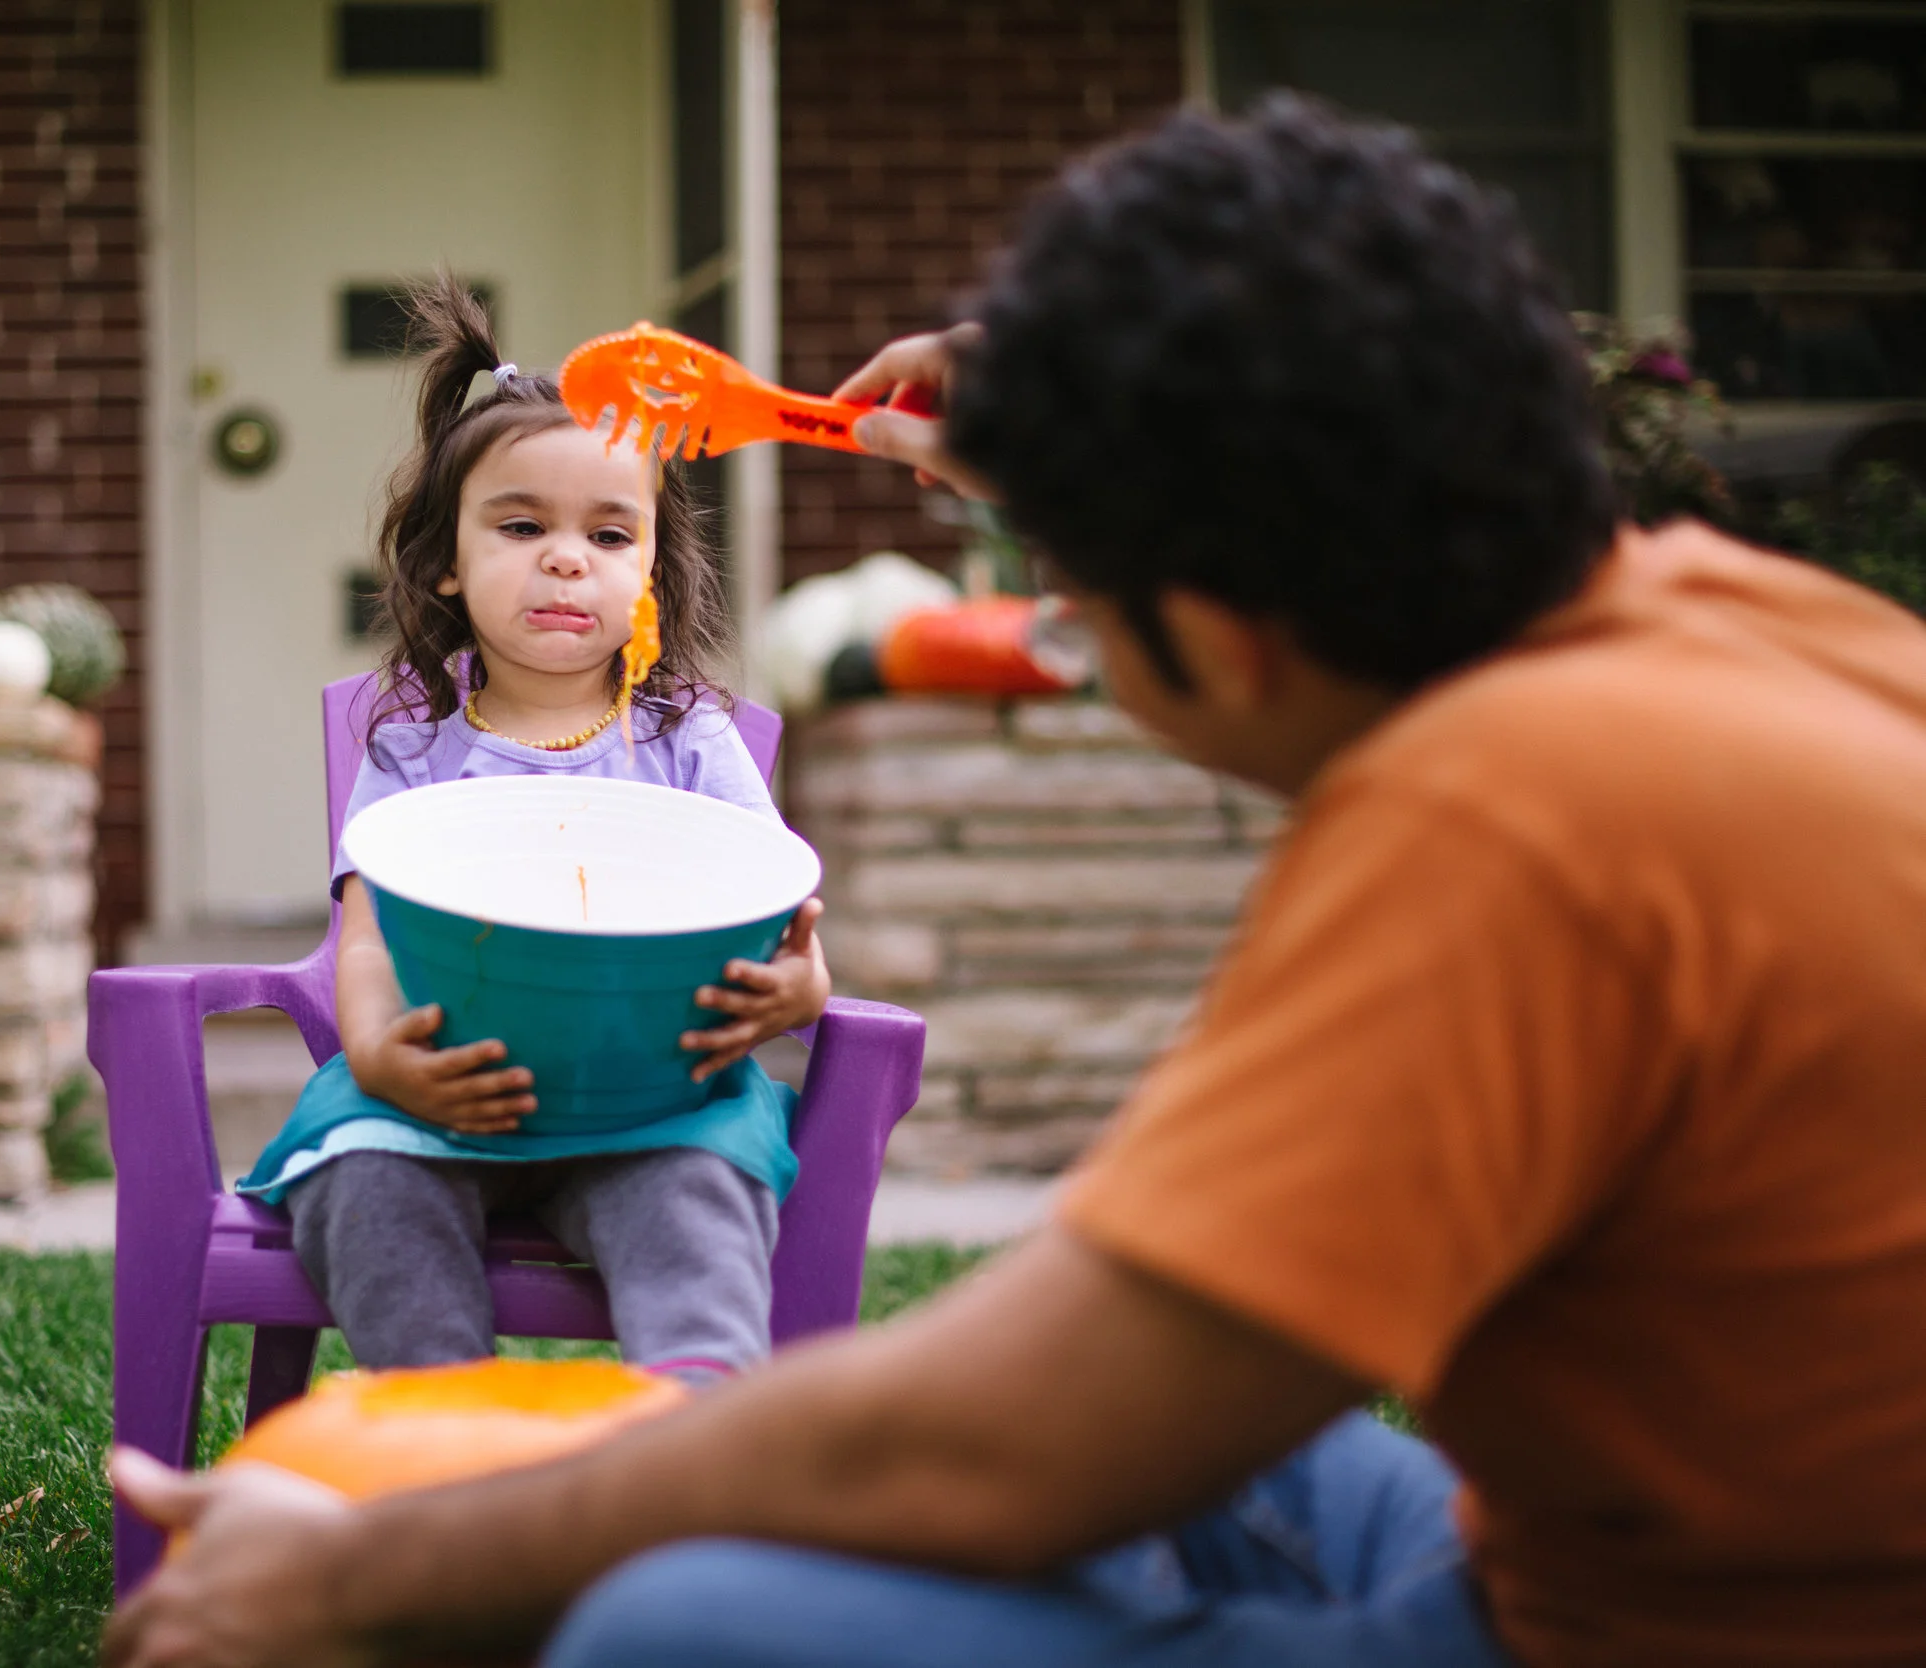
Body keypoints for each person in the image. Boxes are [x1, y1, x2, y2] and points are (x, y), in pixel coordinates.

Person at [105, 99, 1926, 1668]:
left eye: (1074, 593)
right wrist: (1100, 435)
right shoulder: (1764, 628)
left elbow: (982, 1444)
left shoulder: (1502, 834)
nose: (1054, 612)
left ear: (1206, 624)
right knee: (1244, 1457)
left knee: (678, 1626)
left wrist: (376, 1565)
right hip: (1675, 1552)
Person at [231, 276, 833, 1385]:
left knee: (695, 1204)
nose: (567, 558)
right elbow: (366, 936)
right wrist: (377, 1057)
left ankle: (687, 1440)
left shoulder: (688, 743)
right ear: (449, 561)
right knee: (363, 1184)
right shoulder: (413, 754)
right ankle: (444, 1420)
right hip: (446, 1085)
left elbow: (779, 912)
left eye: (610, 533)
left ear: (648, 568)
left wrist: (800, 992)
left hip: (652, 1097)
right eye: (521, 526)